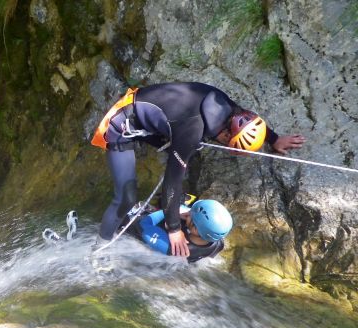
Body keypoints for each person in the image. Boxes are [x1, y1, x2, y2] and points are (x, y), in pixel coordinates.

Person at [91, 82, 305, 257]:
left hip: (155, 116)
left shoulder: (228, 109)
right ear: (226, 134)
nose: (224, 146)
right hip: (122, 123)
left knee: (186, 158)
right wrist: (174, 230)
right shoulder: (192, 131)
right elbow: (171, 180)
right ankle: (98, 250)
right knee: (126, 197)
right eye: (228, 144)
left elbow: (250, 122)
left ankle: (159, 210)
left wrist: (275, 139)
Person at [125, 197, 232, 263]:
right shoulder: (217, 242)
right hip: (188, 251)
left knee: (131, 218)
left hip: (148, 236)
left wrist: (172, 213)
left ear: (195, 229)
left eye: (191, 214)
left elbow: (144, 225)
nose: (188, 213)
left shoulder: (173, 247)